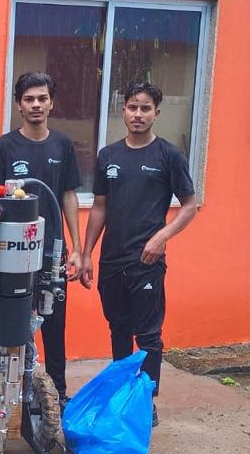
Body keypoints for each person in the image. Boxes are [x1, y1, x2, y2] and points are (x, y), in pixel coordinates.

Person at [79, 82, 198, 426]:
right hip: (112, 260)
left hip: (147, 261)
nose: (138, 114)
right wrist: (86, 253)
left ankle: (146, 399)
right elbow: (99, 207)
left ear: (156, 113)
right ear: (123, 110)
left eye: (145, 108)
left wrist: (162, 237)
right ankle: (122, 393)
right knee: (118, 328)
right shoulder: (108, 156)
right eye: (133, 107)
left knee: (147, 335)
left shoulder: (168, 155)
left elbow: (189, 206)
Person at [0, 72, 83, 403]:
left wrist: (76, 248)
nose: (36, 104)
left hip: (52, 255)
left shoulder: (63, 145)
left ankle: (57, 394)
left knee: (54, 327)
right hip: (12, 255)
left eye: (42, 98)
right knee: (12, 324)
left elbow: (68, 196)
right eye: (29, 99)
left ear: (51, 103)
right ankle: (10, 396)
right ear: (19, 104)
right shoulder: (4, 147)